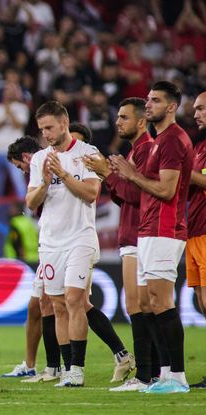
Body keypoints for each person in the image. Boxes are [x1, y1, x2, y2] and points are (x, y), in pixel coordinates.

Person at [110, 81, 193, 394]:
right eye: (148, 99)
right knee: (147, 301)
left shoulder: (172, 141)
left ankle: (178, 376)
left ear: (171, 107)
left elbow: (168, 190)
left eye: (156, 101)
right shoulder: (160, 141)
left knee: (160, 300)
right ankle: (163, 374)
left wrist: (130, 175)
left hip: (165, 228)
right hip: (147, 230)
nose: (149, 105)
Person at [26, 100, 102, 388]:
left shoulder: (88, 153)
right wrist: (45, 181)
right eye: (41, 129)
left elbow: (92, 193)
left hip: (80, 237)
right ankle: (68, 367)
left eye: (49, 127)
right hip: (50, 242)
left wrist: (64, 174)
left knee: (73, 300)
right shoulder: (38, 159)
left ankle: (78, 371)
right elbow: (31, 202)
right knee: (57, 306)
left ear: (64, 123)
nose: (45, 133)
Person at [83, 97, 156, 391]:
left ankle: (148, 374)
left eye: (124, 118)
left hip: (140, 233)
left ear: (141, 121)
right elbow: (124, 194)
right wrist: (109, 174)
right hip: (134, 232)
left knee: (142, 305)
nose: (118, 122)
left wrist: (107, 172)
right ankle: (154, 372)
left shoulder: (146, 150)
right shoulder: (135, 151)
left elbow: (140, 195)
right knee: (138, 305)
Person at [4, 136, 60, 383]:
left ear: (26, 158)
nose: (22, 171)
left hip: (62, 245)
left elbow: (32, 202)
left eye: (19, 166)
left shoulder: (46, 166)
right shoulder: (40, 172)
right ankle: (31, 365)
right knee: (36, 307)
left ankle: (57, 367)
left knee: (67, 306)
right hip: (47, 247)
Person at [188, 91, 206, 389]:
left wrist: (184, 172)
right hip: (192, 232)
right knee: (203, 304)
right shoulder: (200, 145)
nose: (196, 114)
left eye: (202, 108)